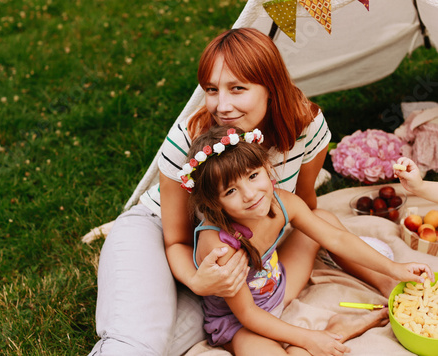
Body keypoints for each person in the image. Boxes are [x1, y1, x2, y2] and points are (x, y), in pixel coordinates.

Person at [89, 27, 393, 356]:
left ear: (271, 87)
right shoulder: (190, 134)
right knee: (137, 341)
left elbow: (306, 209)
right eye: (211, 89)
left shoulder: (306, 127)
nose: (222, 105)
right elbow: (176, 239)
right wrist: (196, 281)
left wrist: (386, 276)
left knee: (172, 341)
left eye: (237, 89)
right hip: (162, 235)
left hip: (228, 270)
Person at [185, 125, 434, 356]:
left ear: (266, 167)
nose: (250, 195)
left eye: (252, 176)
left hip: (278, 285)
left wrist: (394, 268)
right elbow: (248, 314)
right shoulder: (220, 246)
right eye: (231, 191)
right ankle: (338, 330)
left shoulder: (282, 202)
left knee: (322, 218)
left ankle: (385, 283)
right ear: (214, 203)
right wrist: (310, 338)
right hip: (239, 321)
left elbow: (336, 238)